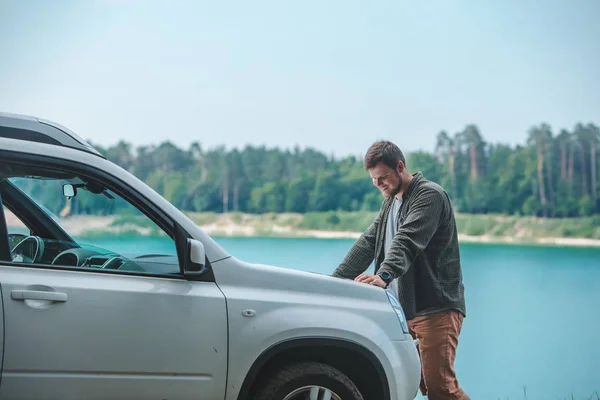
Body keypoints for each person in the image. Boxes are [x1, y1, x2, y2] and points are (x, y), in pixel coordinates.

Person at [331, 140, 469, 400]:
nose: (378, 184)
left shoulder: (429, 196)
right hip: (405, 312)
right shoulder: (390, 202)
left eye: (383, 177)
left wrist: (383, 276)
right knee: (425, 385)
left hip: (435, 308)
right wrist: (333, 283)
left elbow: (407, 240)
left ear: (400, 166)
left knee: (441, 388)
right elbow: (368, 243)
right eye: (373, 179)